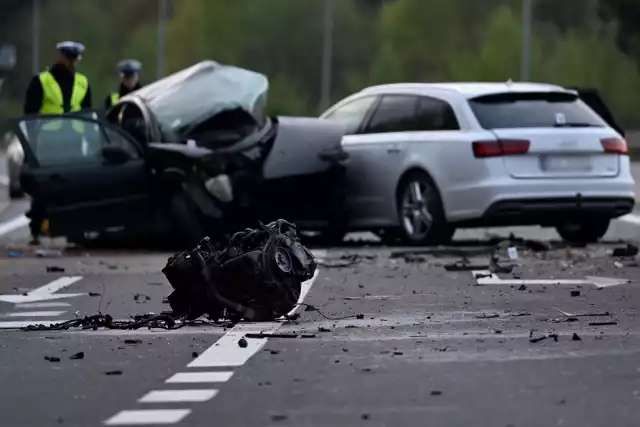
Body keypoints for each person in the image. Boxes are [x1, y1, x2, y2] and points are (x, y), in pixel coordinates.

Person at [23, 41, 92, 245]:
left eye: (73, 59)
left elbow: (88, 115)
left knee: (74, 188)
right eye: (67, 58)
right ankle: (37, 229)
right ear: (59, 57)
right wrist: (31, 145)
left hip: (74, 142)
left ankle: (74, 231)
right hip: (49, 143)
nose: (70, 63)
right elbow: (30, 115)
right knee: (44, 188)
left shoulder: (82, 82)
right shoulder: (41, 81)